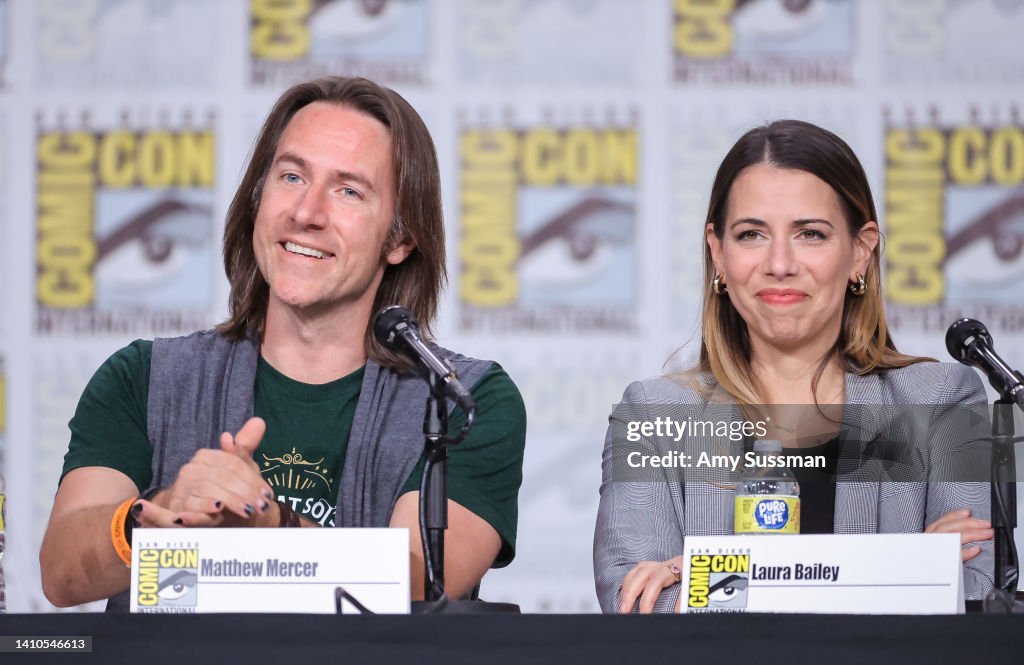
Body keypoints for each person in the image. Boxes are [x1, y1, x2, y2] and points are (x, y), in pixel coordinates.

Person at [40, 77, 526, 610]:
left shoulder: (461, 399)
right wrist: (160, 516)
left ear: (401, 238)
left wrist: (271, 527)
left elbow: (421, 583)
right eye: (291, 176)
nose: (306, 213)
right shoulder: (145, 376)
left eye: (348, 191)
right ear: (257, 198)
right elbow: (63, 574)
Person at [593, 119, 994, 613]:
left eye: (810, 233)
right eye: (751, 234)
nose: (779, 263)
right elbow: (636, 602)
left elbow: (975, 589)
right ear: (718, 253)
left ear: (861, 251)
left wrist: (693, 570)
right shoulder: (649, 416)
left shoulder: (946, 399)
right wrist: (911, 564)